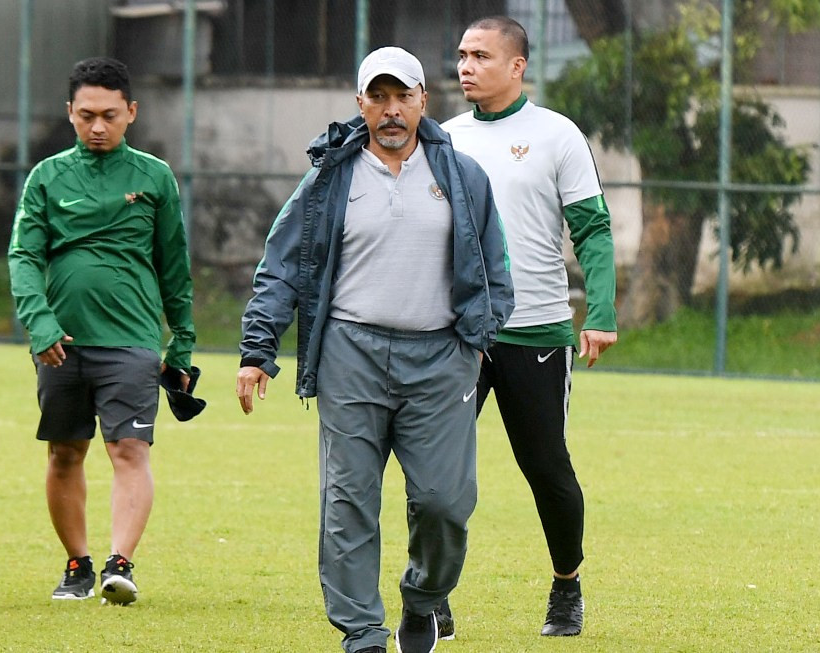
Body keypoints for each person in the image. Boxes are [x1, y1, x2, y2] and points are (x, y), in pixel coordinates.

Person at [236, 47, 513, 653]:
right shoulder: (329, 180)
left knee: (445, 502)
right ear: (359, 103)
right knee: (348, 503)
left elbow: (495, 268)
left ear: (423, 100)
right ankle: (362, 634)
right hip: (350, 354)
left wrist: (481, 334)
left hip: (441, 359)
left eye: (402, 97)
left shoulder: (463, 178)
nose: (390, 111)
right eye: (377, 98)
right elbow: (281, 268)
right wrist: (258, 350)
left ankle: (423, 598)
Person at [440, 16, 618, 638]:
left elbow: (592, 229)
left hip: (536, 330)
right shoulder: (444, 138)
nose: (465, 65)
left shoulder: (557, 136)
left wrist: (600, 313)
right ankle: (431, 589)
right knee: (435, 468)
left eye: (480, 55)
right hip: (458, 332)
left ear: (517, 66)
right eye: (462, 54)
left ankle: (566, 584)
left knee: (545, 466)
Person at [8, 57, 196, 605]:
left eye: (109, 115)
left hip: (133, 341)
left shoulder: (155, 176)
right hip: (60, 344)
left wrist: (181, 340)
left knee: (129, 449)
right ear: (69, 113)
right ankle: (77, 564)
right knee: (65, 453)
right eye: (86, 115)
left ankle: (120, 563)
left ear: (130, 113)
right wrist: (39, 322)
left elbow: (174, 265)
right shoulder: (45, 178)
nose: (97, 126)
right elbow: (23, 255)